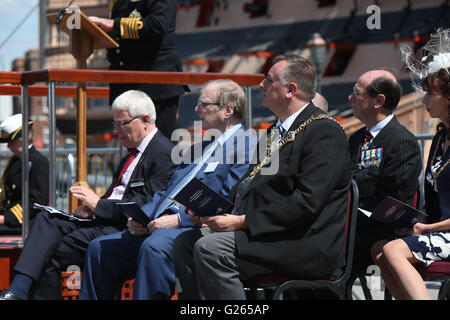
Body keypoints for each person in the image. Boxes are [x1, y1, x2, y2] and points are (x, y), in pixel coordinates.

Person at [171, 54, 351, 300]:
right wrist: (210, 209)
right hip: (266, 232)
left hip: (301, 239)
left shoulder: (324, 132)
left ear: (290, 89)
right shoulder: (273, 131)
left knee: (210, 248)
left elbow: (306, 202)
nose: (261, 85)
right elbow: (249, 182)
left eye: (269, 80)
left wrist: (242, 221)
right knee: (184, 243)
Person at [79, 79, 256, 300]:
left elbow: (224, 199)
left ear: (228, 110)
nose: (196, 108)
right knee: (100, 249)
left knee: (154, 247)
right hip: (159, 223)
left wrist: (179, 220)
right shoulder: (199, 147)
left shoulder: (247, 146)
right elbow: (168, 190)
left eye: (204, 104)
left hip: (193, 226)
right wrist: (145, 217)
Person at [0, 90, 176, 300]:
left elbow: (147, 204)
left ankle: (18, 292)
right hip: (104, 219)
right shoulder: (132, 153)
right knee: (46, 219)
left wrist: (98, 204)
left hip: (125, 227)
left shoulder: (164, 153)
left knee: (46, 253)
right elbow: (119, 194)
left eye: (122, 124)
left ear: (145, 120)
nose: (116, 131)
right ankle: (17, 290)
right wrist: (92, 208)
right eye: (115, 124)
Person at [372, 28, 450, 300]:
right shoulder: (440, 140)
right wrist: (415, 220)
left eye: (430, 94)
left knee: (394, 250)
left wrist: (426, 228)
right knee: (380, 248)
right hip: (441, 231)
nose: (423, 100)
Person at [348, 69, 422, 264]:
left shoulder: (401, 141)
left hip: (373, 233)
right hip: (346, 228)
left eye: (357, 92)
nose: (350, 97)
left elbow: (393, 202)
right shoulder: (355, 139)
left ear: (378, 101)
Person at [89, 0, 188, 139]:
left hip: (155, 85)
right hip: (126, 83)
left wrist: (114, 24)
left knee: (160, 146)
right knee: (133, 147)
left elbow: (158, 24)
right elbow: (119, 34)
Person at [0, 114, 49, 235]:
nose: (8, 146)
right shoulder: (15, 160)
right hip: (12, 217)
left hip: (27, 221)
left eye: (12, 142)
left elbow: (35, 202)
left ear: (23, 140)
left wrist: (5, 218)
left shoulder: (38, 161)